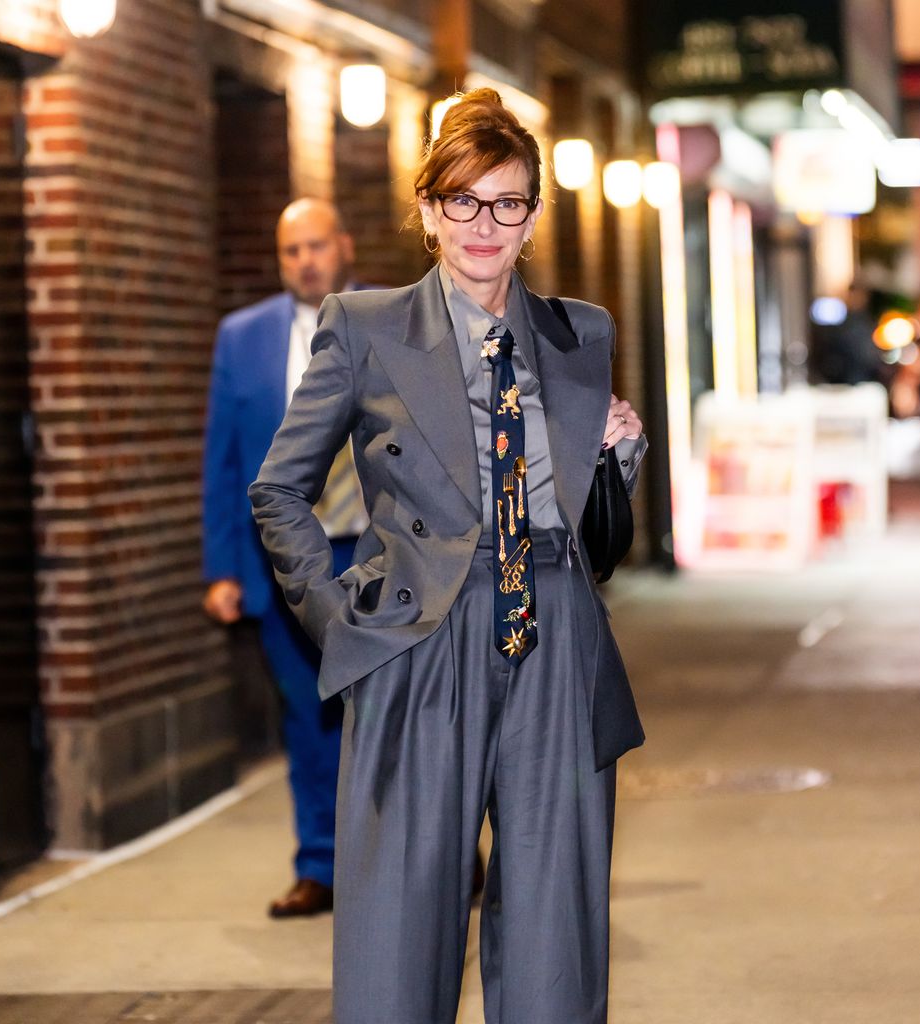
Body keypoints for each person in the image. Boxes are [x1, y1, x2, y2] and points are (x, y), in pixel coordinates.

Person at [249, 89, 646, 1023]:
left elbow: (600, 534)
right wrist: (344, 622)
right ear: (428, 210)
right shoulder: (366, 327)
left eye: (508, 202)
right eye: (463, 200)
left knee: (560, 944)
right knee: (398, 938)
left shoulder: (579, 332)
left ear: (534, 217)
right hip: (419, 645)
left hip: (558, 643)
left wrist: (618, 455)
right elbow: (278, 489)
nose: (484, 224)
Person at [202, 198, 369, 918]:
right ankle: (321, 866)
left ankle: (443, 851)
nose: (305, 260)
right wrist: (222, 568)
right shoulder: (241, 339)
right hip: (284, 564)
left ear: (344, 247)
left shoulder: (394, 319)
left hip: (380, 553)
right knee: (308, 718)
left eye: (316, 245)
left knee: (398, 712)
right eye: (290, 250)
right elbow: (224, 459)